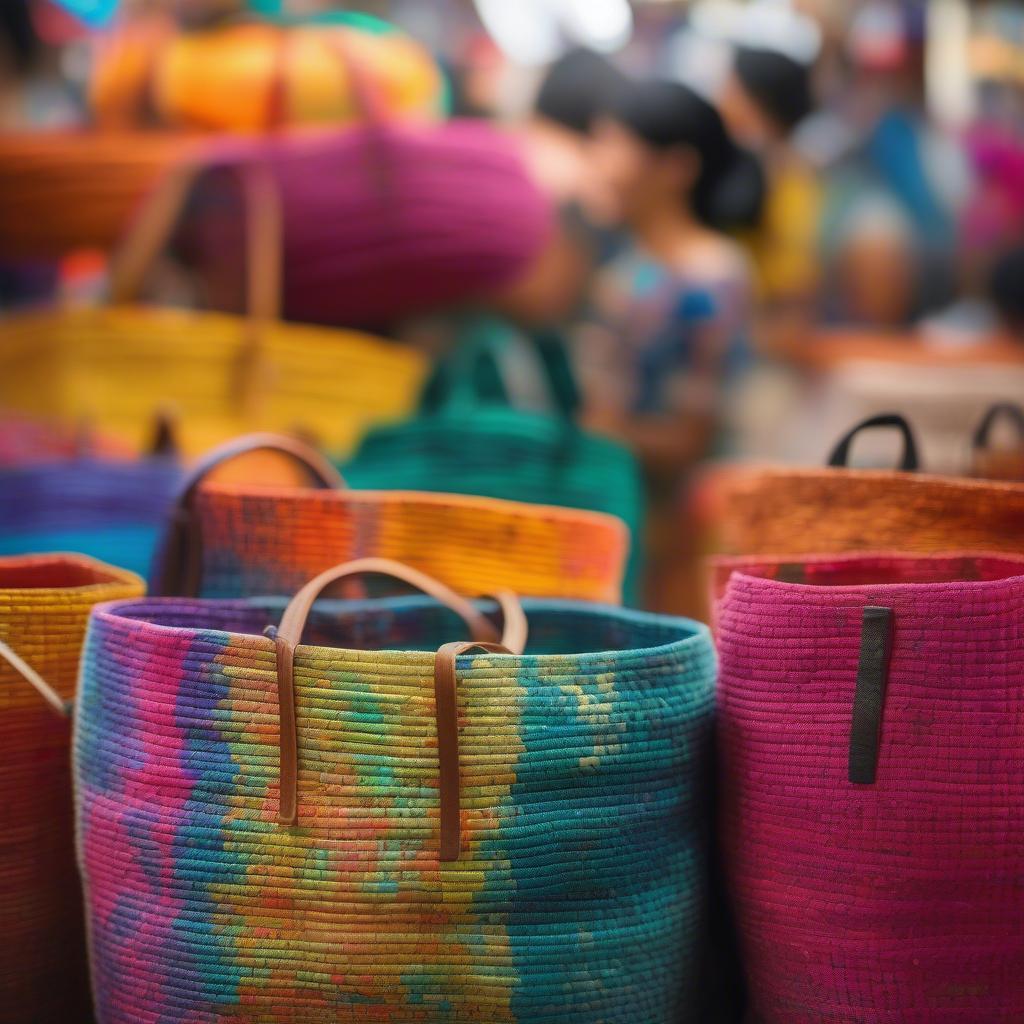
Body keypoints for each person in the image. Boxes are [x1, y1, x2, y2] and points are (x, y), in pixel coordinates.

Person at [575, 77, 763, 477]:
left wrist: (589, 433)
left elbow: (692, 439)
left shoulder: (712, 278)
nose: (597, 162)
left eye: (613, 144)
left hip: (673, 519)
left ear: (676, 168)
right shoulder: (628, 261)